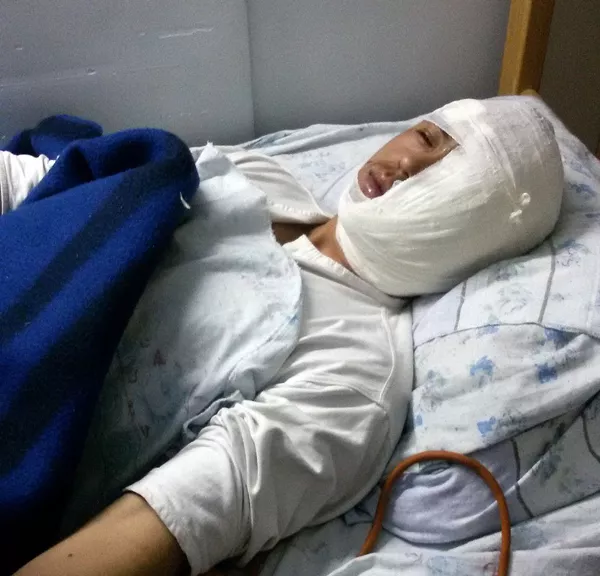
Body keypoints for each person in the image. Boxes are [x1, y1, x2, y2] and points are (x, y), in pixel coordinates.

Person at [12, 97, 563, 576]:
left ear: (474, 244)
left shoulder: (353, 380)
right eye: (425, 137)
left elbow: (162, 520)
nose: (407, 166)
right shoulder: (256, 176)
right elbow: (53, 190)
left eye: (454, 183)